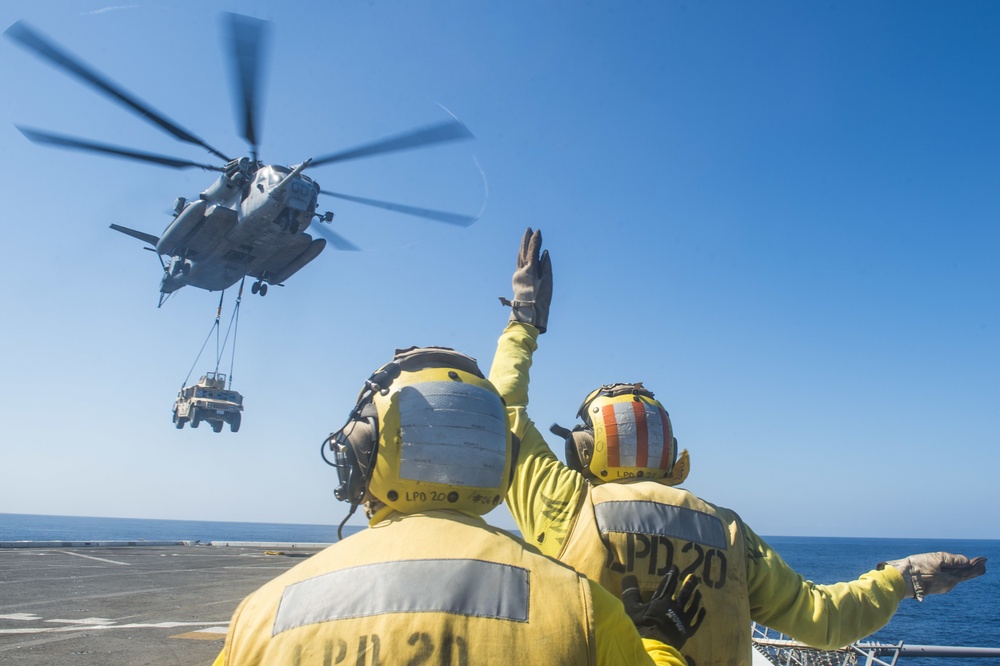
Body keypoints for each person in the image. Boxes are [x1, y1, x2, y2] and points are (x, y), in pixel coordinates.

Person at [490, 228, 987, 666]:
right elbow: (826, 620)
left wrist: (524, 321)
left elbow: (504, 410)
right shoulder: (726, 531)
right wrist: (903, 577)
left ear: (583, 450)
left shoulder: (564, 505)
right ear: (671, 459)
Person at [213, 346, 705, 666]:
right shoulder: (582, 607)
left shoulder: (260, 616)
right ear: (501, 459)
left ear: (362, 453)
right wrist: (659, 643)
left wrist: (521, 325)